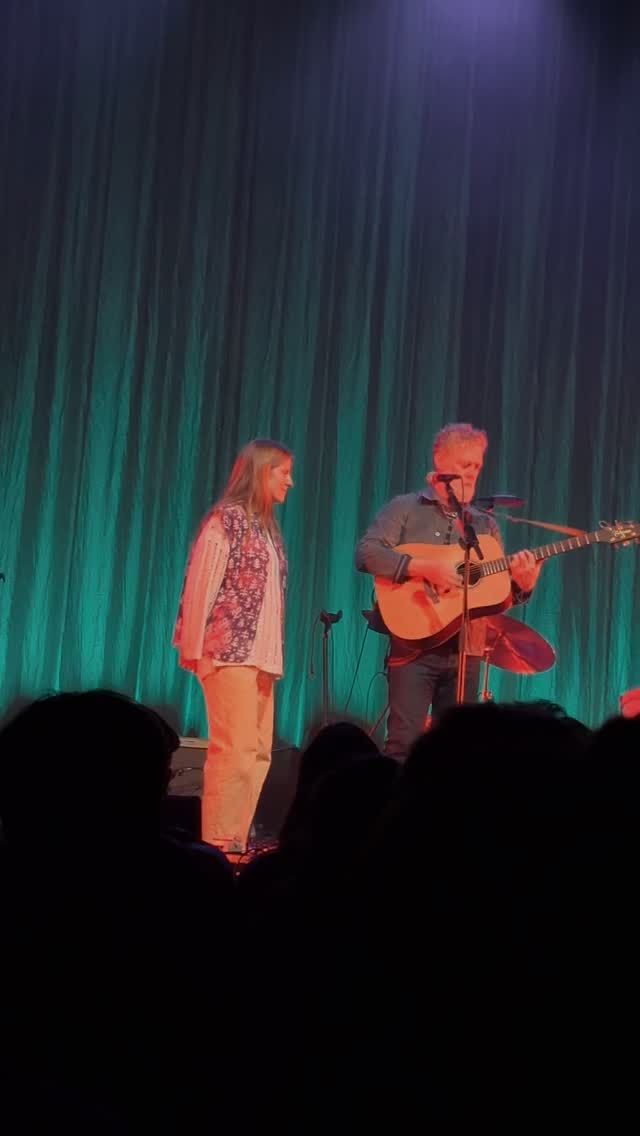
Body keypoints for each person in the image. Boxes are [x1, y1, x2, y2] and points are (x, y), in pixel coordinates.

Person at [355, 422, 541, 760]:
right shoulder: (405, 509)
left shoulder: (483, 526)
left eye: (477, 467)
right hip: (414, 648)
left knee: (456, 754)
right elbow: (366, 553)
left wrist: (521, 587)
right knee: (403, 747)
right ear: (440, 464)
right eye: (464, 466)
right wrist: (424, 567)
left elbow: (493, 597)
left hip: (466, 651)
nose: (472, 475)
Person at [173, 439, 294, 853]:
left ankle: (235, 842)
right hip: (228, 653)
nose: (290, 482)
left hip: (260, 658)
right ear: (262, 472)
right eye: (284, 472)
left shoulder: (268, 530)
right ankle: (218, 845)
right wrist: (194, 650)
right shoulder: (227, 520)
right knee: (234, 752)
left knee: (257, 755)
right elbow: (201, 584)